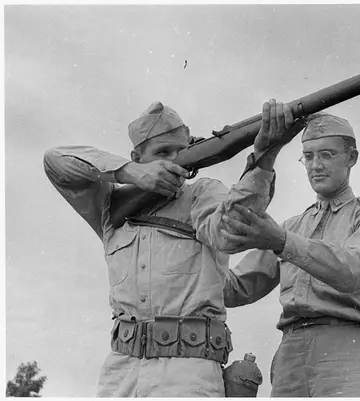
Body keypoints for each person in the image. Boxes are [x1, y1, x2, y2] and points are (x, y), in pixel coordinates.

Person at [43, 99, 303, 397]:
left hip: (189, 372)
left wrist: (265, 154)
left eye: (182, 150)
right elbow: (55, 160)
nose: (174, 159)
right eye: (162, 152)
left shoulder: (203, 193)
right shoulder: (111, 203)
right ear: (137, 157)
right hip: (121, 373)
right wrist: (128, 173)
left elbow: (230, 231)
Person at [221, 113, 360, 397]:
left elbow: (353, 271)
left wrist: (281, 242)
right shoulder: (290, 227)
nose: (316, 166)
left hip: (349, 353)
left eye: (327, 155)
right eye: (308, 156)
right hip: (291, 356)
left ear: (352, 157)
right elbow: (235, 288)